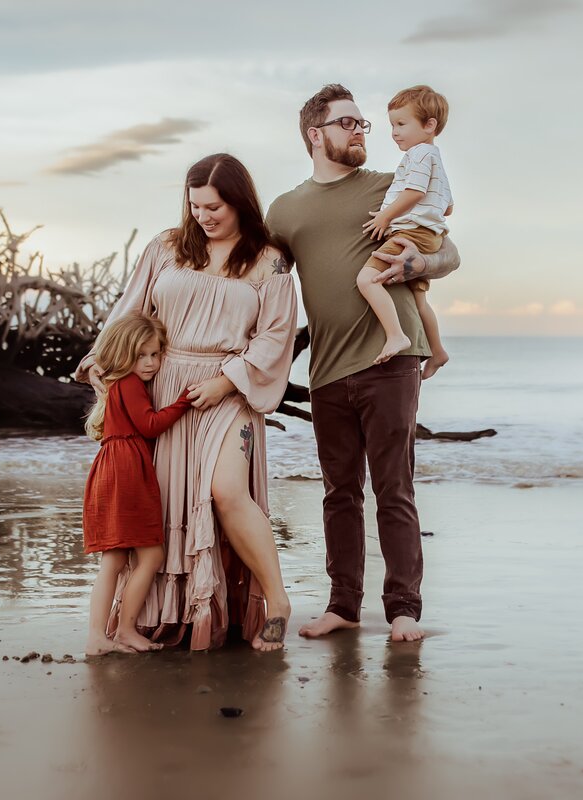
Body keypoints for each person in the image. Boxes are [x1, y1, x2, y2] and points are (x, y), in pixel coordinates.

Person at [75, 153, 298, 652]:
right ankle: (169, 613)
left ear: (240, 201)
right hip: (164, 385)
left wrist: (227, 381)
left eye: (214, 206)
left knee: (225, 490)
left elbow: (275, 335)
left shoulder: (270, 260)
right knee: (167, 500)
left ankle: (278, 601)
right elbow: (130, 307)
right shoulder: (167, 247)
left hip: (228, 386)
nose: (204, 216)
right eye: (195, 206)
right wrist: (100, 356)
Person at [266, 84, 460, 643]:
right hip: (326, 368)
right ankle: (343, 607)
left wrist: (421, 260)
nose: (360, 131)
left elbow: (451, 250)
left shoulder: (390, 185)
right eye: (347, 122)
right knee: (339, 494)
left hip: (392, 361)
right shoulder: (285, 210)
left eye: (363, 124)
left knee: (394, 488)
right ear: (315, 134)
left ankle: (404, 610)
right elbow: (261, 280)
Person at [81, 312, 192, 657]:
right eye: (141, 355)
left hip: (114, 469)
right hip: (126, 472)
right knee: (150, 554)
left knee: (114, 559)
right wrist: (184, 400)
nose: (150, 363)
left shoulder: (119, 383)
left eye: (156, 354)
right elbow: (150, 425)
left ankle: (99, 635)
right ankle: (124, 630)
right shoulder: (129, 383)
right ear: (124, 354)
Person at [358, 85, 453, 380]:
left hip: (410, 233)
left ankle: (396, 335)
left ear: (429, 125)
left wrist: (385, 217)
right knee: (419, 301)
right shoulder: (435, 157)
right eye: (392, 125)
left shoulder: (420, 154)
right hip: (426, 234)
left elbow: (414, 191)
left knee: (366, 279)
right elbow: (448, 206)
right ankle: (437, 351)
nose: (394, 132)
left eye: (401, 124)